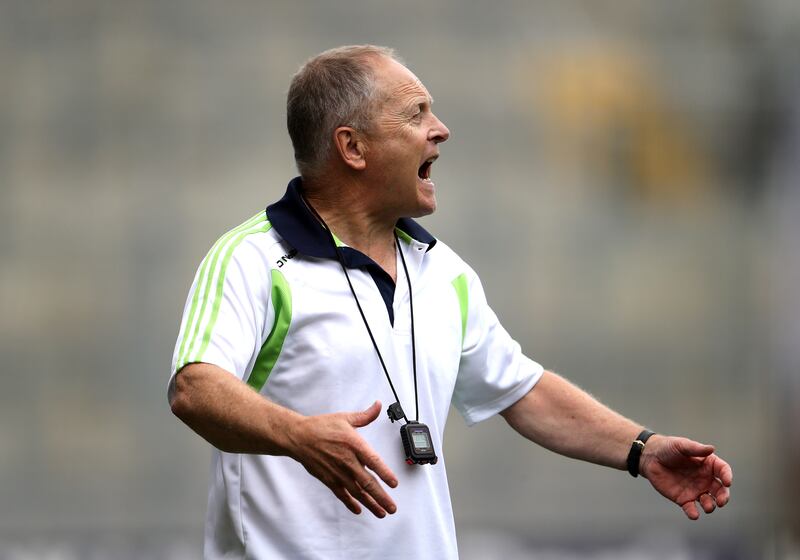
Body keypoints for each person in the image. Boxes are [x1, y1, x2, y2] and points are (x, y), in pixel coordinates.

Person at [169, 45, 732, 559]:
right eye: (415, 114)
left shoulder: (444, 271)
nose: (440, 130)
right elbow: (195, 387)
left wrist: (643, 449)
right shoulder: (251, 258)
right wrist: (297, 436)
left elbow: (522, 390)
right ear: (352, 146)